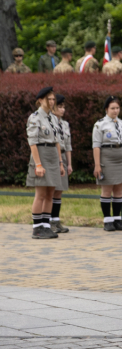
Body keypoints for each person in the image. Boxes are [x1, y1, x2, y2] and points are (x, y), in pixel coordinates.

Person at [26, 87, 65, 239]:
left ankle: (46, 226)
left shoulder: (53, 118)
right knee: (41, 193)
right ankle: (37, 228)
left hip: (53, 156)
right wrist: (38, 165)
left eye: (53, 99)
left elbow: (57, 142)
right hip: (41, 154)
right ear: (40, 100)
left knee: (50, 193)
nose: (52, 102)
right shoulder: (35, 117)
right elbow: (33, 143)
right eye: (48, 99)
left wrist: (60, 163)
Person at [92, 96, 122, 231]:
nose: (115, 111)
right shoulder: (100, 124)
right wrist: (97, 165)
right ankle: (107, 220)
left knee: (119, 190)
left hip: (121, 157)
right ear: (106, 109)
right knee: (107, 190)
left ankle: (117, 219)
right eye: (112, 108)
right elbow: (96, 146)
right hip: (107, 157)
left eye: (117, 108)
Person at [51, 93, 72, 234]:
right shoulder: (49, 122)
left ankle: (56, 220)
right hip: (52, 156)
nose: (62, 110)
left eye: (64, 107)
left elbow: (68, 145)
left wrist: (69, 164)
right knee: (51, 190)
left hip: (63, 156)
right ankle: (48, 221)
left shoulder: (65, 124)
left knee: (59, 191)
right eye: (59, 106)